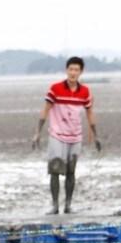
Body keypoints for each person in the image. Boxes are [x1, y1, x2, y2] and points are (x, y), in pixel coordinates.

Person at [31, 56, 98, 215]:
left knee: (71, 172)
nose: (73, 73)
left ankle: (68, 205)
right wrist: (37, 133)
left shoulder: (85, 91)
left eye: (76, 70)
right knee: (54, 170)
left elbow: (90, 114)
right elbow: (45, 110)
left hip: (75, 136)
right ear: (66, 70)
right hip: (57, 135)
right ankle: (55, 206)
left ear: (81, 72)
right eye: (70, 69)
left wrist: (96, 136)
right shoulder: (55, 88)